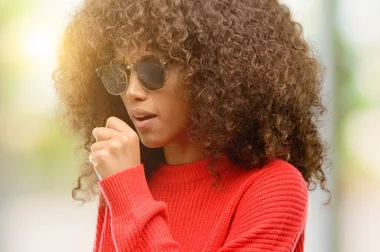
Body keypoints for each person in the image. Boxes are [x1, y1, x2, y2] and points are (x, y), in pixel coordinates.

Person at [52, 0, 329, 251]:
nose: (132, 91)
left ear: (211, 71)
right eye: (118, 73)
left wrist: (128, 194)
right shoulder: (130, 181)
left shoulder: (273, 187)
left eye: (152, 71)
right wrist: (126, 190)